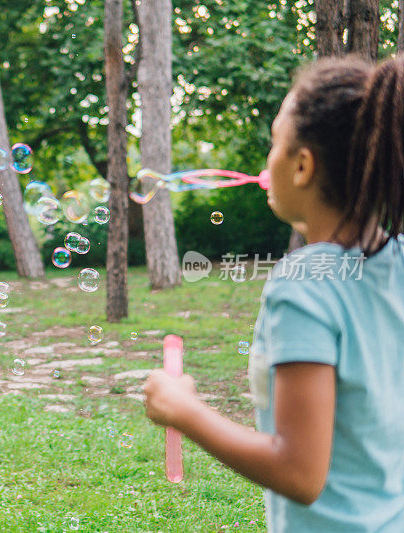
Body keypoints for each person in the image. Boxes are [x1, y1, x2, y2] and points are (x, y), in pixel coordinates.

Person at [143, 54, 404, 531]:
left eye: (274, 142)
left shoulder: (303, 285)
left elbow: (300, 473)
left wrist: (185, 411)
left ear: (302, 165)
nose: (268, 159)